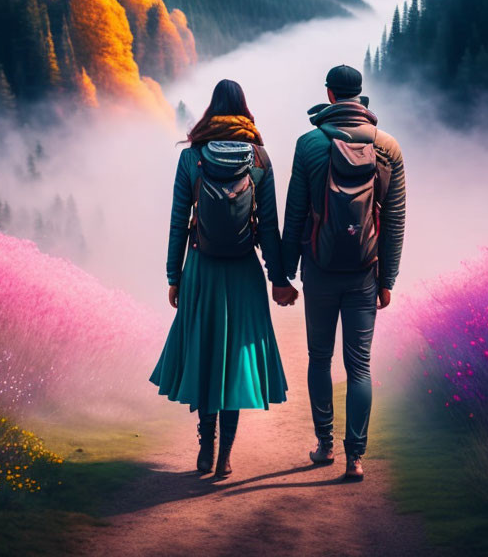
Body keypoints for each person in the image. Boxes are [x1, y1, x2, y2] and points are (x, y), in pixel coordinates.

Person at [150, 79, 298, 477]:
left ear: (211, 111)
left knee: (205, 354)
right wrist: (278, 278)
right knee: (233, 361)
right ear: (244, 110)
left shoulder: (191, 157)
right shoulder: (260, 158)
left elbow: (178, 222)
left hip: (200, 268)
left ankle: (205, 445)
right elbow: (269, 228)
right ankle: (226, 456)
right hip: (243, 272)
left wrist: (173, 275)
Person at [282, 64, 405, 481]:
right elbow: (394, 219)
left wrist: (284, 273)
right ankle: (356, 457)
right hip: (364, 273)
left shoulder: (309, 144)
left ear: (330, 95)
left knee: (320, 358)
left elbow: (296, 213)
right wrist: (387, 279)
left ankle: (325, 445)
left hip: (319, 270)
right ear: (359, 95)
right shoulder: (388, 147)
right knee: (360, 367)